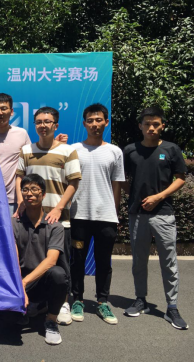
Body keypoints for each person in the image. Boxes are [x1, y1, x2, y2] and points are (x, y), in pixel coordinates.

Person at [123, 106, 188, 330]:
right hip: (137, 214)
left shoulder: (171, 149)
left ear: (162, 126)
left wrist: (159, 197)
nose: (151, 127)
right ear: (140, 126)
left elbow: (181, 178)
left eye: (155, 124)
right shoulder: (130, 150)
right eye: (147, 124)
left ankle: (172, 307)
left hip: (164, 214)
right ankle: (141, 300)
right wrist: (133, 196)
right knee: (139, 261)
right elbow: (121, 178)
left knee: (168, 262)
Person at [15, 106, 81, 326]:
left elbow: (73, 182)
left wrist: (59, 208)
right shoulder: (26, 150)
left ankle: (62, 303)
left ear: (56, 125)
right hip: (31, 218)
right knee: (32, 261)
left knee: (60, 267)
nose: (43, 125)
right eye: (39, 122)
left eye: (47, 122)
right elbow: (19, 178)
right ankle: (38, 301)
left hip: (57, 219)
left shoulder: (68, 151)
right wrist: (21, 202)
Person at [69, 103, 125, 325]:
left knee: (104, 261)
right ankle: (77, 299)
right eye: (90, 121)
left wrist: (115, 214)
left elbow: (117, 184)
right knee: (77, 260)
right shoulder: (73, 150)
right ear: (84, 124)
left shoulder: (115, 151)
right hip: (78, 215)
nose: (94, 124)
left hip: (105, 217)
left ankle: (103, 301)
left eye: (99, 120)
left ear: (106, 122)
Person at [12, 174, 68, 345]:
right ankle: (29, 308)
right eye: (25, 190)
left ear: (43, 194)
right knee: (5, 320)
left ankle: (51, 320)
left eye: (34, 189)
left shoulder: (55, 226)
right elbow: (13, 258)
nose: (29, 193)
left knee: (58, 274)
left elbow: (51, 261)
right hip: (19, 280)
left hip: (40, 281)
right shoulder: (14, 224)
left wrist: (24, 283)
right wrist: (19, 285)